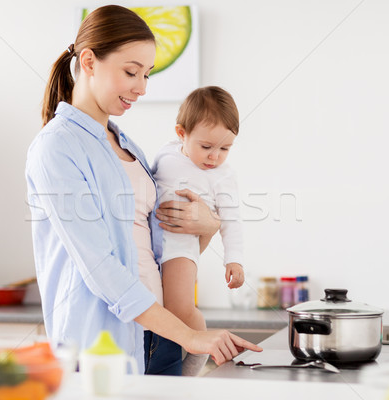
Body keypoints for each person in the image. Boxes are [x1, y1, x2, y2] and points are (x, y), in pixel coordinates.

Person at [25, 5, 261, 376]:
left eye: (147, 74)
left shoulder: (127, 144)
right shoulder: (56, 147)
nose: (142, 87)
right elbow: (100, 266)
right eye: (131, 72)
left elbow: (159, 249)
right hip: (104, 345)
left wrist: (209, 228)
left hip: (160, 334)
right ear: (88, 62)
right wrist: (190, 335)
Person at [152, 86, 245, 375]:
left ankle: (194, 362)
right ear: (182, 134)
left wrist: (234, 259)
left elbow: (231, 219)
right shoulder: (167, 151)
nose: (215, 156)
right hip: (149, 240)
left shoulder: (222, 176)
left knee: (178, 308)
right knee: (155, 309)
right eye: (206, 147)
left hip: (179, 247)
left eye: (225, 148)